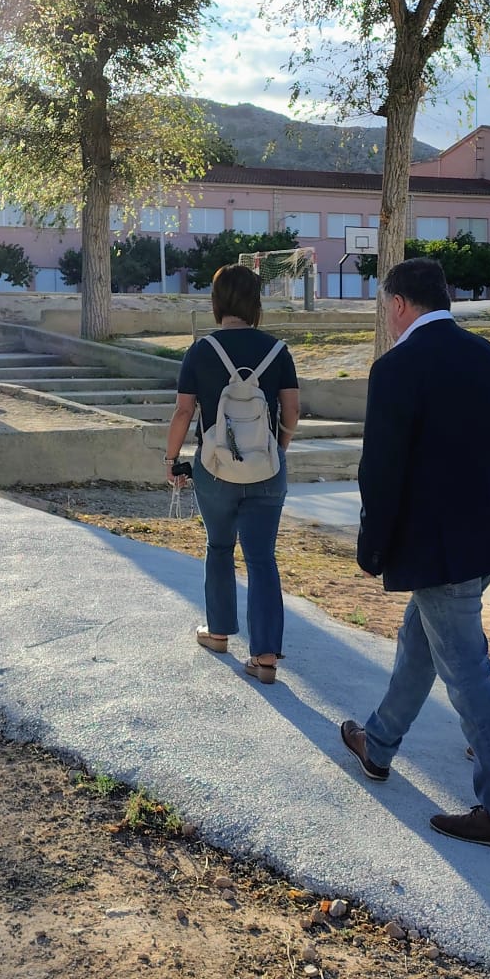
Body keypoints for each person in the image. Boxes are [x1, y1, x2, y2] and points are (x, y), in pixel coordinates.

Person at [338, 258, 490, 853]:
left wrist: (372, 548)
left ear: (399, 304)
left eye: (385, 305)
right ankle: (378, 744)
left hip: (439, 546)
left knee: (468, 672)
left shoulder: (396, 368)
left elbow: (381, 472)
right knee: (418, 642)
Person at [164, 264, 300, 683]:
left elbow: (184, 411)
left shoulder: (201, 351)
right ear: (256, 303)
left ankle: (218, 632)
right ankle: (265, 658)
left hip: (215, 470)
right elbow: (291, 410)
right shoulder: (278, 350)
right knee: (262, 558)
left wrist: (172, 460)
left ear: (217, 302)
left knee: (219, 546)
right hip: (266, 471)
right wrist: (277, 449)